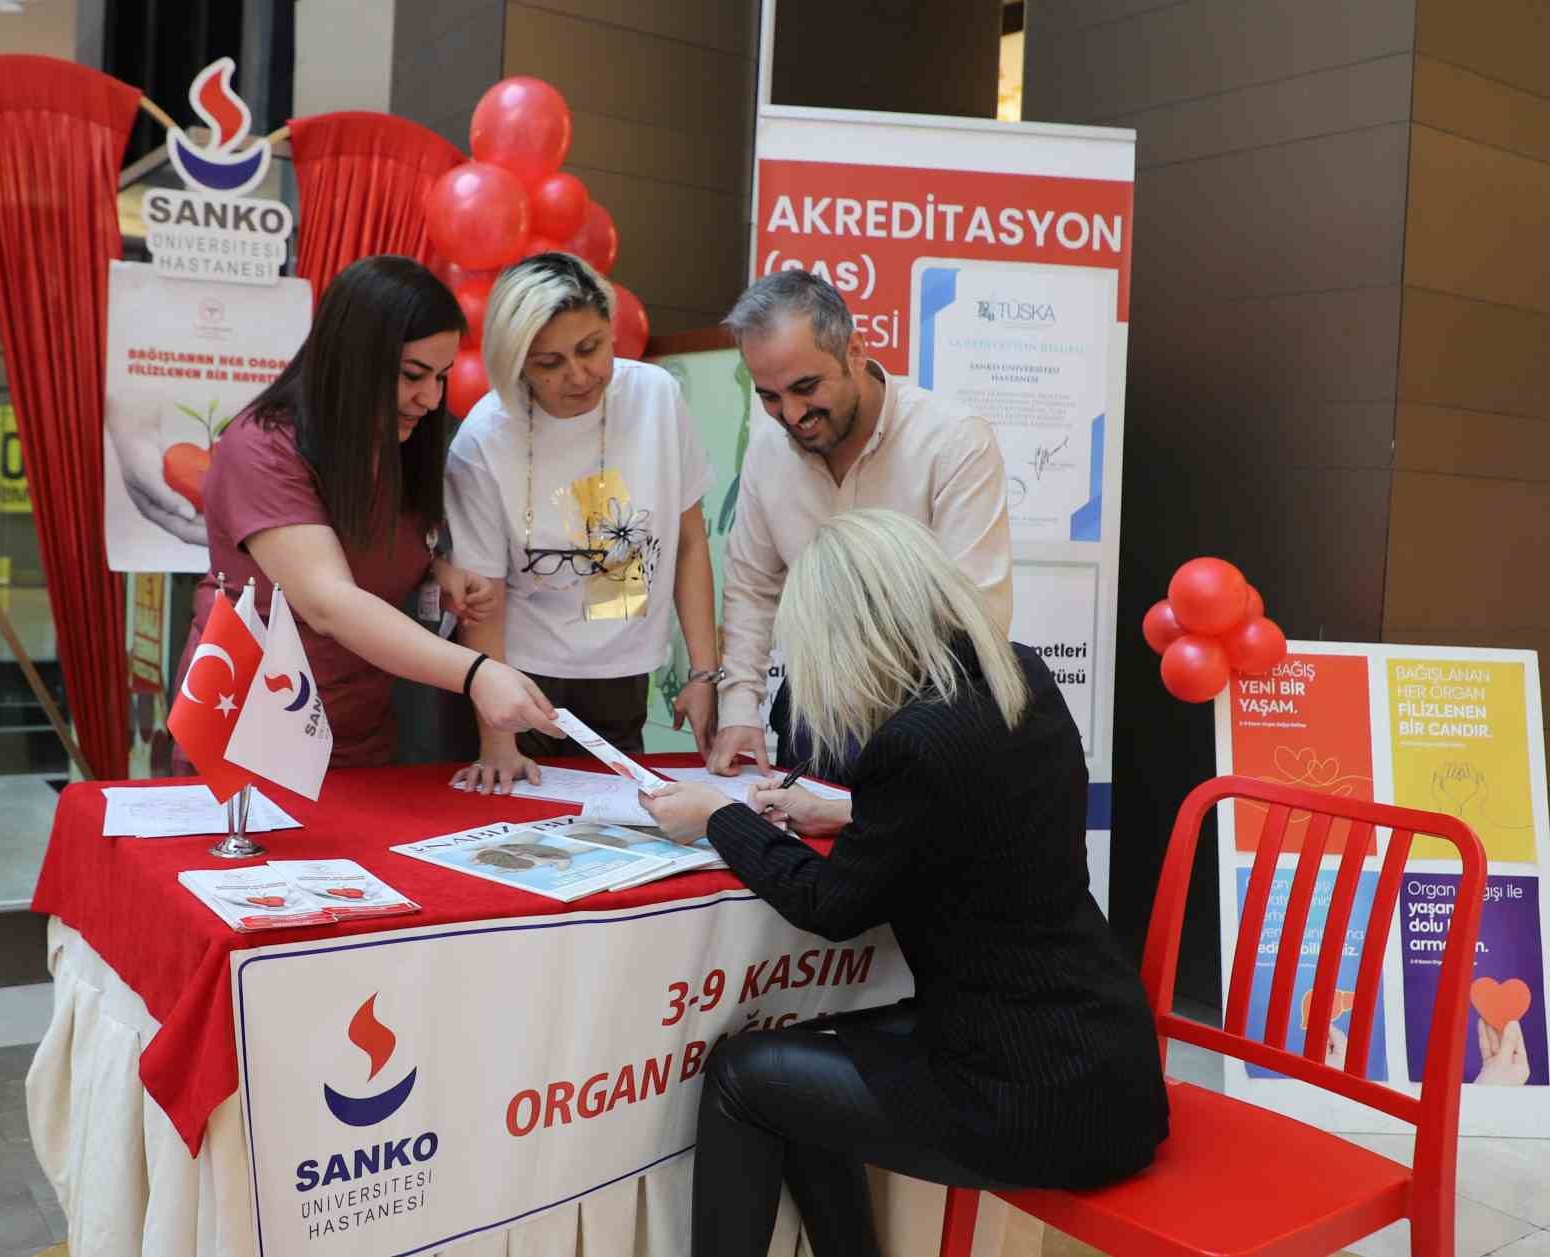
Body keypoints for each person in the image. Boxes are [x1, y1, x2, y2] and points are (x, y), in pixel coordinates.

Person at [641, 510, 1169, 1257]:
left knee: (742, 1077)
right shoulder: (1020, 676)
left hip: (1025, 1098)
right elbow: (979, 816)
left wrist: (717, 817)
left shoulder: (914, 742)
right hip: (1108, 1064)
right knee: (797, 1068)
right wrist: (851, 809)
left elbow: (829, 906)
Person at [170, 255, 561, 772]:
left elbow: (382, 547)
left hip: (356, 728)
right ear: (353, 359)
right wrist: (476, 673)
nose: (430, 398)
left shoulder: (403, 441)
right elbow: (328, 600)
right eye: (413, 375)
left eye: (442, 376)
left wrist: (437, 573)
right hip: (248, 723)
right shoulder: (263, 447)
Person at [709, 270, 1012, 781]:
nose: (792, 413)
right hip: (814, 719)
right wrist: (740, 710)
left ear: (854, 350)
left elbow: (977, 617)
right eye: (770, 396)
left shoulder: (953, 442)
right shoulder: (766, 448)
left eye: (807, 387)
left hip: (932, 719)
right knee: (799, 861)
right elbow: (752, 590)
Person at [445, 252, 719, 794]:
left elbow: (690, 541)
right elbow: (483, 595)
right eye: (549, 363)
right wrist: (498, 740)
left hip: (623, 674)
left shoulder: (656, 398)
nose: (579, 375)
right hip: (519, 679)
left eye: (591, 348)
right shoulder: (485, 438)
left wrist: (705, 672)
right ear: (517, 362)